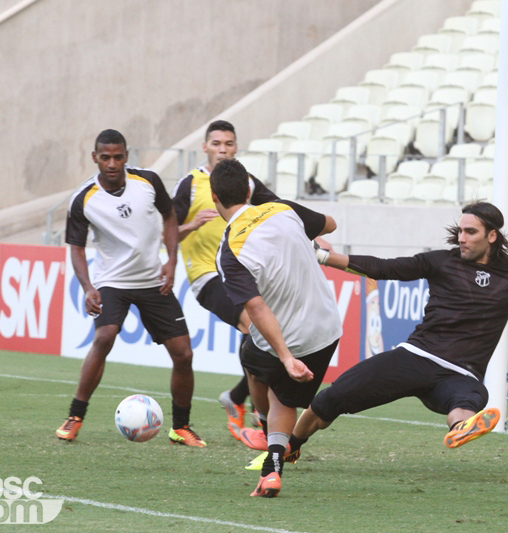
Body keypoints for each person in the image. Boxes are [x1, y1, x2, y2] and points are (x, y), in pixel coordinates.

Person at [284, 201, 508, 458]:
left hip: (461, 372)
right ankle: (290, 447)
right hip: (416, 357)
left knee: (470, 399)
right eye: (460, 231)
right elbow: (383, 267)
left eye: (470, 232)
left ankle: (460, 429)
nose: (462, 238)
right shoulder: (440, 262)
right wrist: (323, 256)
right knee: (327, 401)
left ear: (491, 235)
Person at [55, 129, 205, 447]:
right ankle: (75, 415)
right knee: (104, 336)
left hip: (153, 280)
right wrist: (88, 287)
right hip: (113, 282)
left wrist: (171, 261)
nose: (112, 163)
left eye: (118, 156)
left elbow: (168, 216)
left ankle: (181, 427)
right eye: (105, 157)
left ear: (127, 156)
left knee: (184, 354)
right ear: (95, 158)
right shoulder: (83, 200)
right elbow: (77, 248)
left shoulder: (148, 181)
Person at [211, 158, 341, 498]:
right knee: (284, 396)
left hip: (288, 338)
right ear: (249, 189)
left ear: (215, 199)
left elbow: (255, 307)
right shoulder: (283, 210)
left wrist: (285, 357)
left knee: (253, 359)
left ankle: (260, 421)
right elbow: (330, 224)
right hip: (327, 328)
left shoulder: (229, 250)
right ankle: (272, 470)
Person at [172, 120, 277, 441]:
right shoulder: (190, 184)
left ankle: (236, 398)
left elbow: (278, 208)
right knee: (255, 326)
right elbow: (165, 235)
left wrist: (312, 232)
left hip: (242, 275)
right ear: (205, 147)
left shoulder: (244, 182)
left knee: (269, 333)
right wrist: (191, 226)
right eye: (216, 144)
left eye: (229, 144)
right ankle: (262, 419)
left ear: (236, 147)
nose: (223, 149)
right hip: (206, 275)